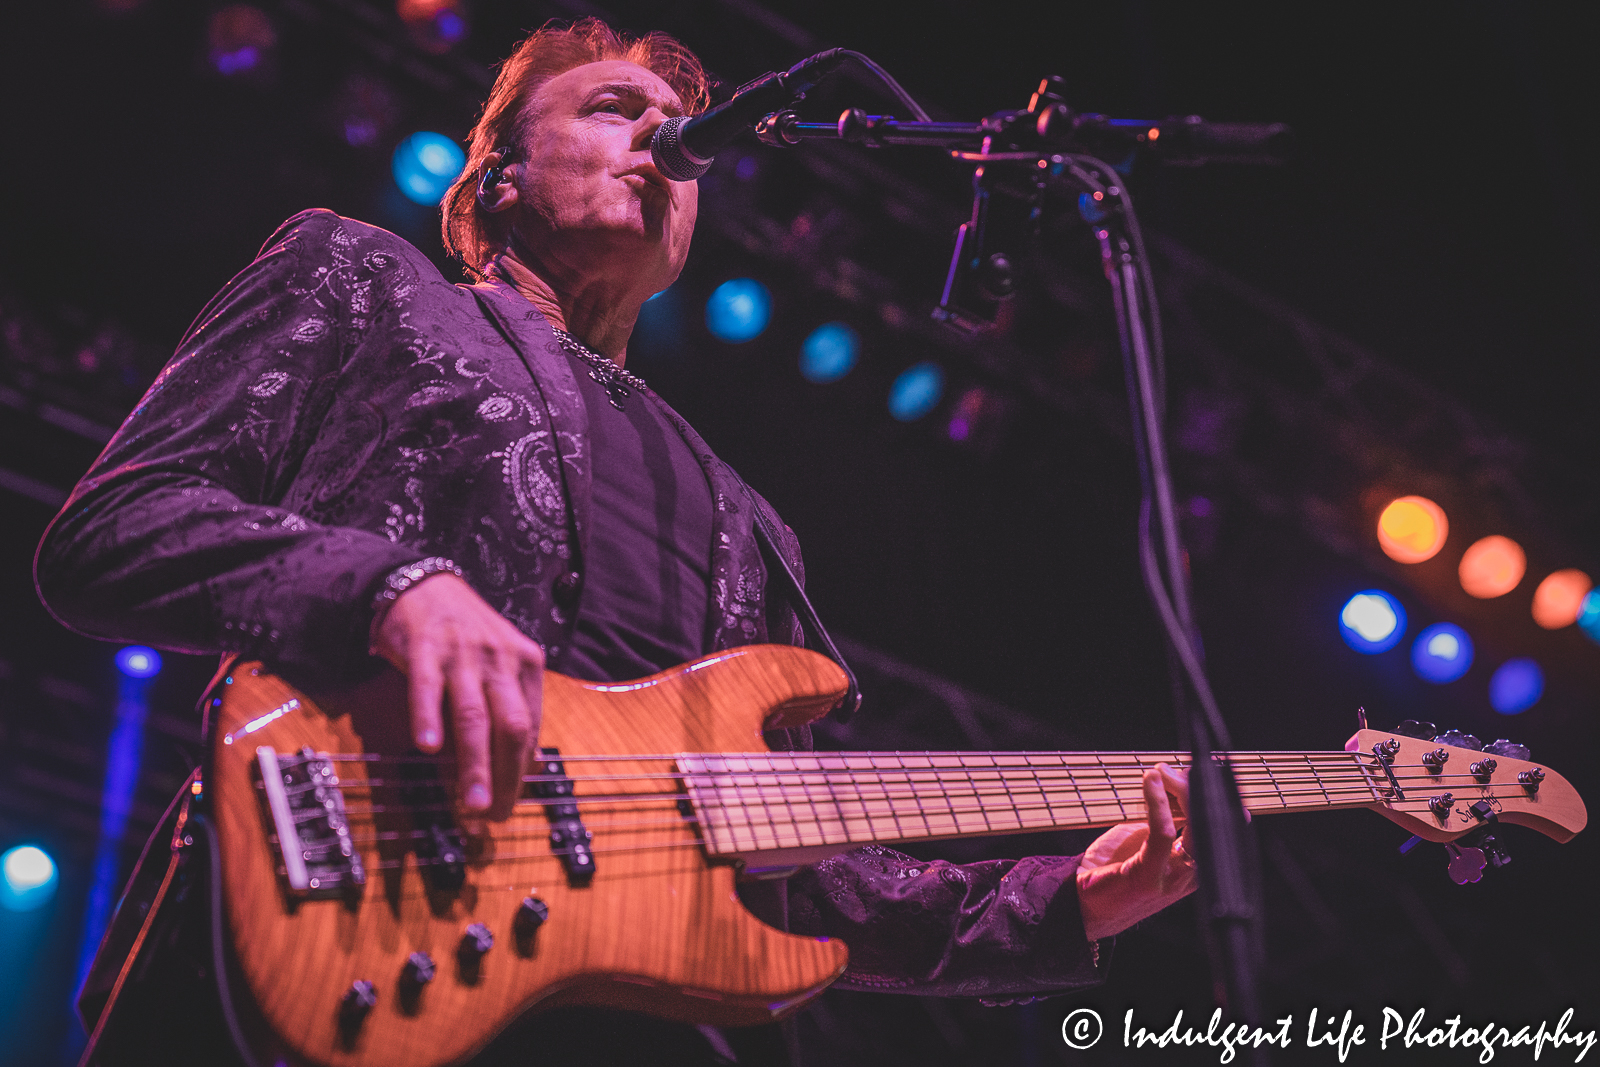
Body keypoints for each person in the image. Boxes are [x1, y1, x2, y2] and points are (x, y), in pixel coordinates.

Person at [35, 18, 1197, 1065]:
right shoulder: (365, 276)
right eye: (612, 110)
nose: (664, 138)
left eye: (672, 125)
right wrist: (389, 586)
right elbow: (114, 525)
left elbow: (791, 858)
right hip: (329, 925)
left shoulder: (750, 518)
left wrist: (1068, 898)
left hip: (621, 1013)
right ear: (494, 177)